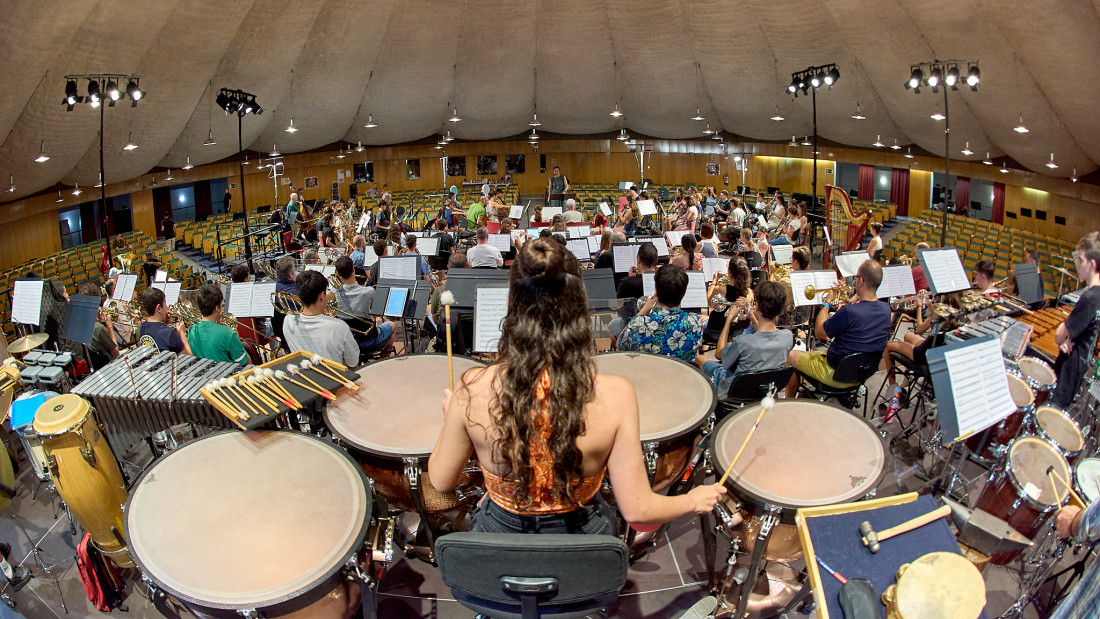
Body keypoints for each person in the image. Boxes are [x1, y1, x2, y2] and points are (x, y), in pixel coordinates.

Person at [428, 238, 724, 534]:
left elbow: (441, 482)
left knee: (483, 507)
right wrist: (693, 499)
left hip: (500, 542)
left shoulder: (473, 388)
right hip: (584, 543)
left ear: (511, 303)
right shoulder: (616, 395)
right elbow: (638, 509)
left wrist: (451, 415)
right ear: (578, 305)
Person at [785, 260, 891, 397]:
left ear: (862, 281)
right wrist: (846, 302)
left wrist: (827, 303)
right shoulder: (886, 309)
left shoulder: (849, 312)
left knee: (790, 356)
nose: (855, 281)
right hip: (862, 374)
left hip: (835, 373)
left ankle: (789, 400)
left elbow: (819, 332)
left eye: (856, 278)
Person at [698, 280, 793, 391]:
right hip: (766, 389)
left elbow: (719, 354)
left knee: (699, 358)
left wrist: (728, 320)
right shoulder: (788, 336)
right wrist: (751, 316)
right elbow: (765, 334)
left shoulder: (742, 342)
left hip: (735, 389)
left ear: (757, 306)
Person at [618, 264, 704, 362]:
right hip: (682, 375)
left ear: (656, 292)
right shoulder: (695, 321)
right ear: (683, 293)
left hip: (648, 375)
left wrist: (642, 312)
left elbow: (620, 344)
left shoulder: (639, 322)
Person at [1052, 232, 1100, 408]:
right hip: (1080, 368)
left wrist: (1064, 336)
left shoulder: (1088, 298)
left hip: (1068, 374)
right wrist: (1070, 337)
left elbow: (1058, 336)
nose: (1077, 264)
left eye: (1080, 260)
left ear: (1092, 264)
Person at [283, 270, 359, 367]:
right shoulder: (340, 327)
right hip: (334, 380)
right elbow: (353, 362)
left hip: (303, 377)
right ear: (321, 295)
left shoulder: (288, 320)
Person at [334, 256, 396, 357]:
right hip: (369, 338)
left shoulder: (333, 293)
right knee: (392, 325)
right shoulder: (369, 291)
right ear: (353, 269)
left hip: (348, 340)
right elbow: (376, 314)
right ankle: (384, 357)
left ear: (338, 274)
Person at [187, 284, 248, 366]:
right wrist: (238, 341)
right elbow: (247, 363)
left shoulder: (192, 330)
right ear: (216, 308)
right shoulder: (228, 333)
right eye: (221, 305)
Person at [138, 287, 191, 355]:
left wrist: (164, 325)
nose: (166, 307)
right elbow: (188, 354)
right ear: (159, 308)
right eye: (165, 303)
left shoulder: (142, 327)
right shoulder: (170, 333)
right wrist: (182, 333)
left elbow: (160, 339)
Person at [81, 283, 120, 369]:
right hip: (110, 367)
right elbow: (116, 353)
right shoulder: (98, 328)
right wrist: (109, 326)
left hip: (95, 368)